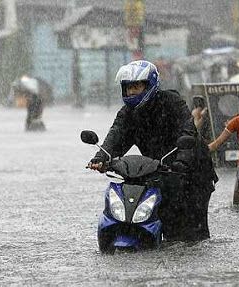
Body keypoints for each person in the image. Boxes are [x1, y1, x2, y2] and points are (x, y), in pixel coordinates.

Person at [87, 60, 218, 242]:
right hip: (158, 171)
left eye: (136, 86)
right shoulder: (127, 113)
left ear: (150, 85)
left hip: (192, 171)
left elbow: (187, 131)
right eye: (128, 87)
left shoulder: (172, 102)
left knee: (188, 233)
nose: (131, 92)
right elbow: (115, 138)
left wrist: (181, 163)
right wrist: (101, 158)